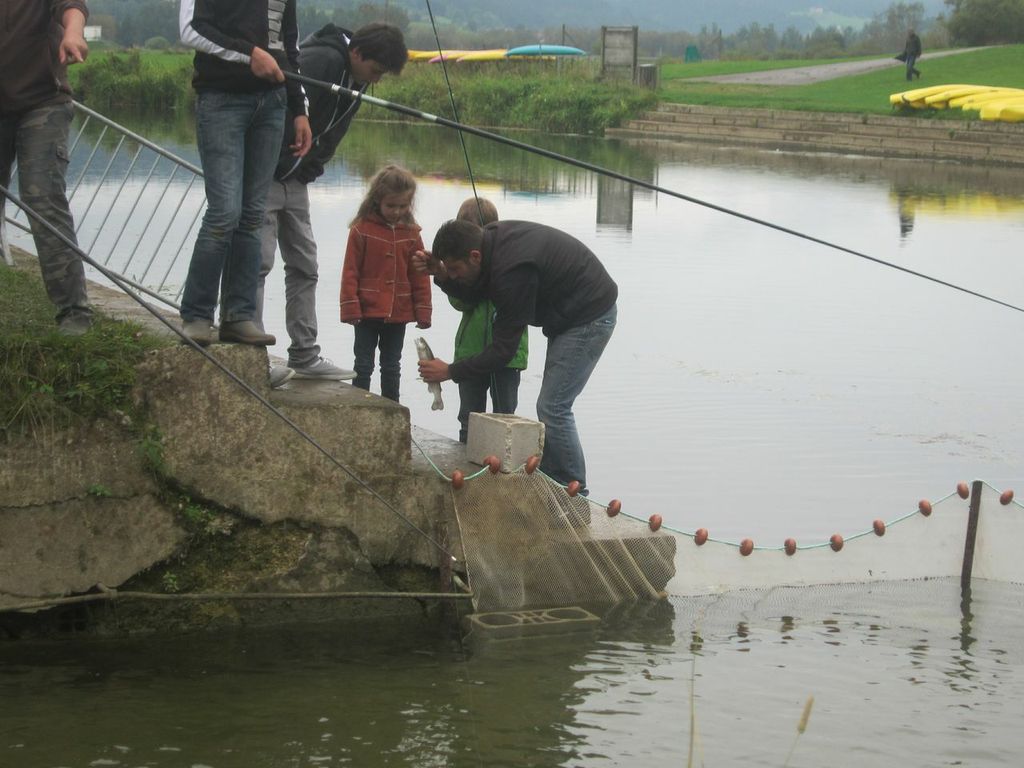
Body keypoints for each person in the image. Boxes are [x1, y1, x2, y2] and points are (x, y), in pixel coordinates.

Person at [414, 219, 617, 493]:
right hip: (567, 313)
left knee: (553, 406)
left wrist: (450, 371)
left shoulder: (511, 271)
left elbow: (503, 351)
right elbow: (477, 291)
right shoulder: (490, 245)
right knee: (551, 406)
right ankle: (554, 483)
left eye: (454, 269)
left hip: (590, 315)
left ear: (474, 256)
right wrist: (440, 274)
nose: (453, 275)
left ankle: (574, 494)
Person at [257, 22, 408, 385]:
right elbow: (280, 107)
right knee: (257, 263)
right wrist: (274, 160)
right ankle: (251, 357)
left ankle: (304, 355)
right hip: (266, 173)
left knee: (305, 265)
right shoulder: (322, 59)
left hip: (296, 178)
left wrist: (312, 166)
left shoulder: (357, 77)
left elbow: (333, 130)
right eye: (376, 70)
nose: (377, 79)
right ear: (356, 52)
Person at [177, 0, 312, 347]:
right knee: (225, 212)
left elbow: (289, 47)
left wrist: (299, 109)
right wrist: (249, 54)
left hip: (273, 104)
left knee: (253, 214)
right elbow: (191, 29)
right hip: (221, 99)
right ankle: (196, 315)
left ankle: (238, 316)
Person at [0, 0, 93, 336]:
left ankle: (74, 312)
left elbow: (71, 5)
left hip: (43, 101)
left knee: (42, 199)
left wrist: (73, 33)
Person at [341, 165, 431, 402]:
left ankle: (392, 408)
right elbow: (350, 271)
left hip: (398, 313)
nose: (396, 211)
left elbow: (420, 275)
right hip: (366, 312)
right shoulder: (361, 230)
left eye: (403, 206)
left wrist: (423, 311)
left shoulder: (412, 233)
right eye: (391, 206)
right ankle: (359, 407)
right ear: (377, 200)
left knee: (391, 365)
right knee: (363, 364)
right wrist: (350, 307)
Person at [450, 197, 528, 443]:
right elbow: (458, 303)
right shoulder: (462, 265)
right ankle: (464, 458)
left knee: (505, 419)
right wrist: (467, 280)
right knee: (469, 418)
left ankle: (502, 464)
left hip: (508, 359)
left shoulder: (510, 260)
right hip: (470, 353)